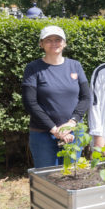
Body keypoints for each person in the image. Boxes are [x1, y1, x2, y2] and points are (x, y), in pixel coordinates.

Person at [22, 26, 90, 167]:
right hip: (43, 135)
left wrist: (71, 123)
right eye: (48, 40)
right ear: (41, 44)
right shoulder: (33, 68)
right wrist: (55, 130)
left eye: (58, 39)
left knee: (71, 175)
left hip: (73, 133)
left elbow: (86, 97)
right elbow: (30, 103)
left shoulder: (75, 66)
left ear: (64, 43)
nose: (54, 43)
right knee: (46, 177)